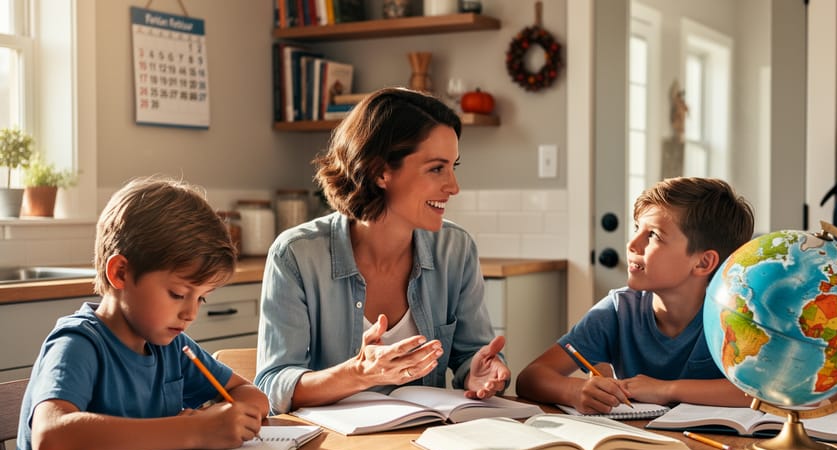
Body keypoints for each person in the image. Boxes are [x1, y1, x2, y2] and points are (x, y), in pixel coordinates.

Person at [255, 87, 510, 413]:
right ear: (380, 171)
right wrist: (358, 373)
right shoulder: (296, 256)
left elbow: (471, 354)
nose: (453, 186)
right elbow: (273, 385)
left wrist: (481, 371)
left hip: (427, 441)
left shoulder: (455, 249)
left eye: (453, 166)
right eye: (436, 168)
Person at [15, 177, 270, 450]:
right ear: (120, 272)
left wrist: (227, 416)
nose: (190, 313)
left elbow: (252, 395)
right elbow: (51, 439)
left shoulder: (172, 347)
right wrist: (195, 430)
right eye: (177, 294)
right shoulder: (78, 344)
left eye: (201, 299)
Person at [516, 177, 755, 413]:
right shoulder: (618, 310)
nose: (632, 243)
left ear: (703, 262)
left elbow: (762, 394)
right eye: (637, 229)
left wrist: (667, 390)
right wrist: (574, 391)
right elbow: (531, 377)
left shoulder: (735, 316)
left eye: (654, 235)